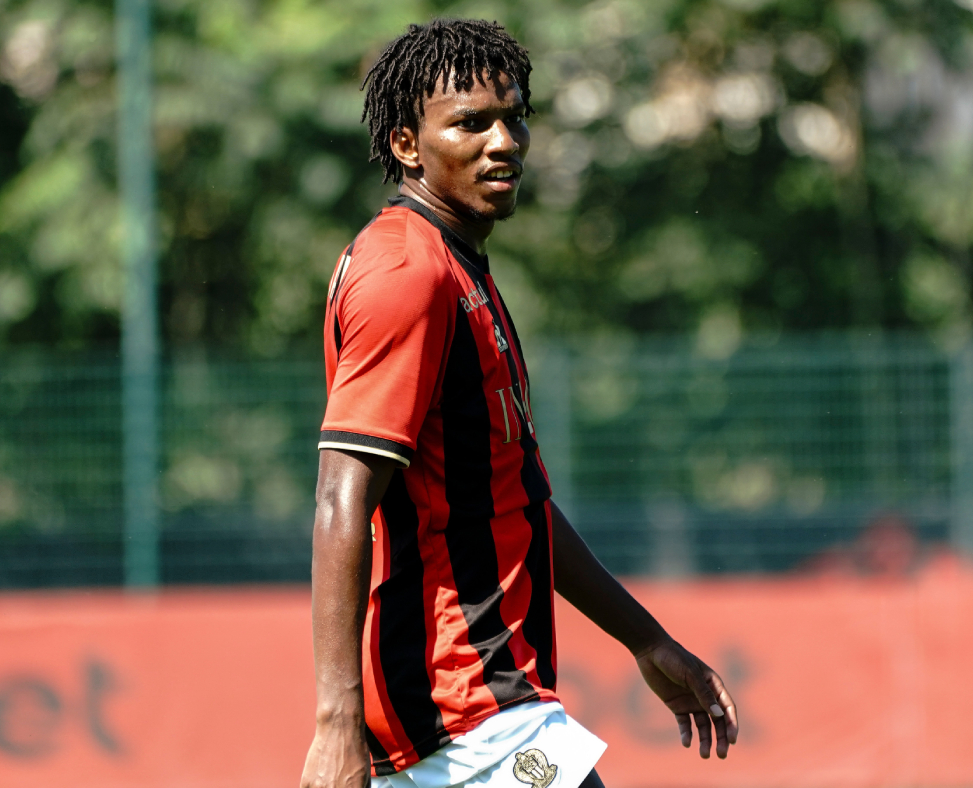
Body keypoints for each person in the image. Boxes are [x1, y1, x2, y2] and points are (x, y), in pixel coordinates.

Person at [301, 19, 739, 788]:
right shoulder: (406, 273)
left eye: (514, 119)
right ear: (407, 144)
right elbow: (342, 495)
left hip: (476, 705)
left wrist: (645, 640)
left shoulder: (458, 269)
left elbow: (514, 499)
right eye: (471, 123)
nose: (503, 142)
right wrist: (335, 722)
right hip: (461, 700)